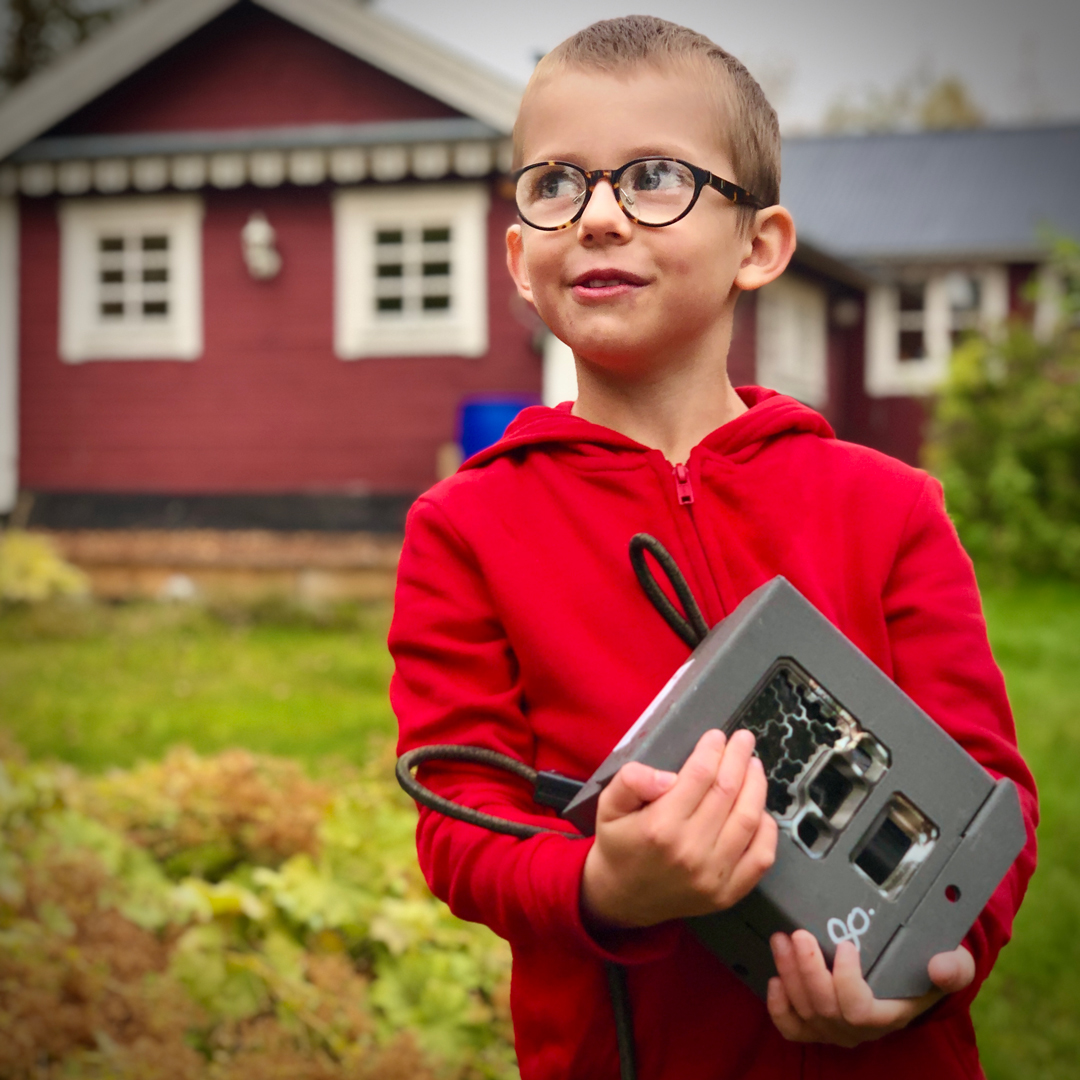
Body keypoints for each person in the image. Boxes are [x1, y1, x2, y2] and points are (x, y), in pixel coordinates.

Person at [389, 15, 1037, 1080]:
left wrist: (922, 975)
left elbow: (988, 795)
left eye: (653, 178)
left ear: (760, 245)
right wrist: (606, 887)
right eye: (556, 185)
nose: (598, 217)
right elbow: (461, 825)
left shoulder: (889, 508)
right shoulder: (464, 529)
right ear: (518, 255)